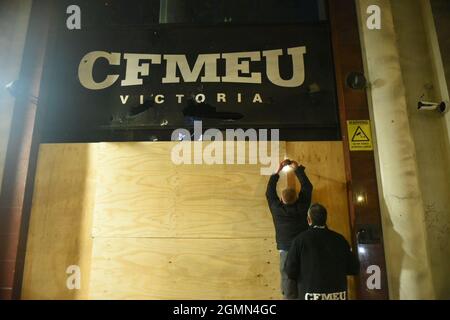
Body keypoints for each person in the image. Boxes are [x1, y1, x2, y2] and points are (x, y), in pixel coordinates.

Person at [285, 203, 360, 300]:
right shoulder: (340, 240)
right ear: (325, 219)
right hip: (338, 296)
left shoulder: (300, 240)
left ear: (309, 220)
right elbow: (354, 268)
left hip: (310, 295)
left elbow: (290, 270)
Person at [266, 159, 313, 299]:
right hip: (302, 247)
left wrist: (277, 170)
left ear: (281, 199)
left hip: (285, 249)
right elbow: (308, 187)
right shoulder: (302, 206)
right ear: (297, 198)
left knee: (287, 277)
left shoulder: (276, 209)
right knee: (304, 275)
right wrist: (297, 169)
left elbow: (269, 192)